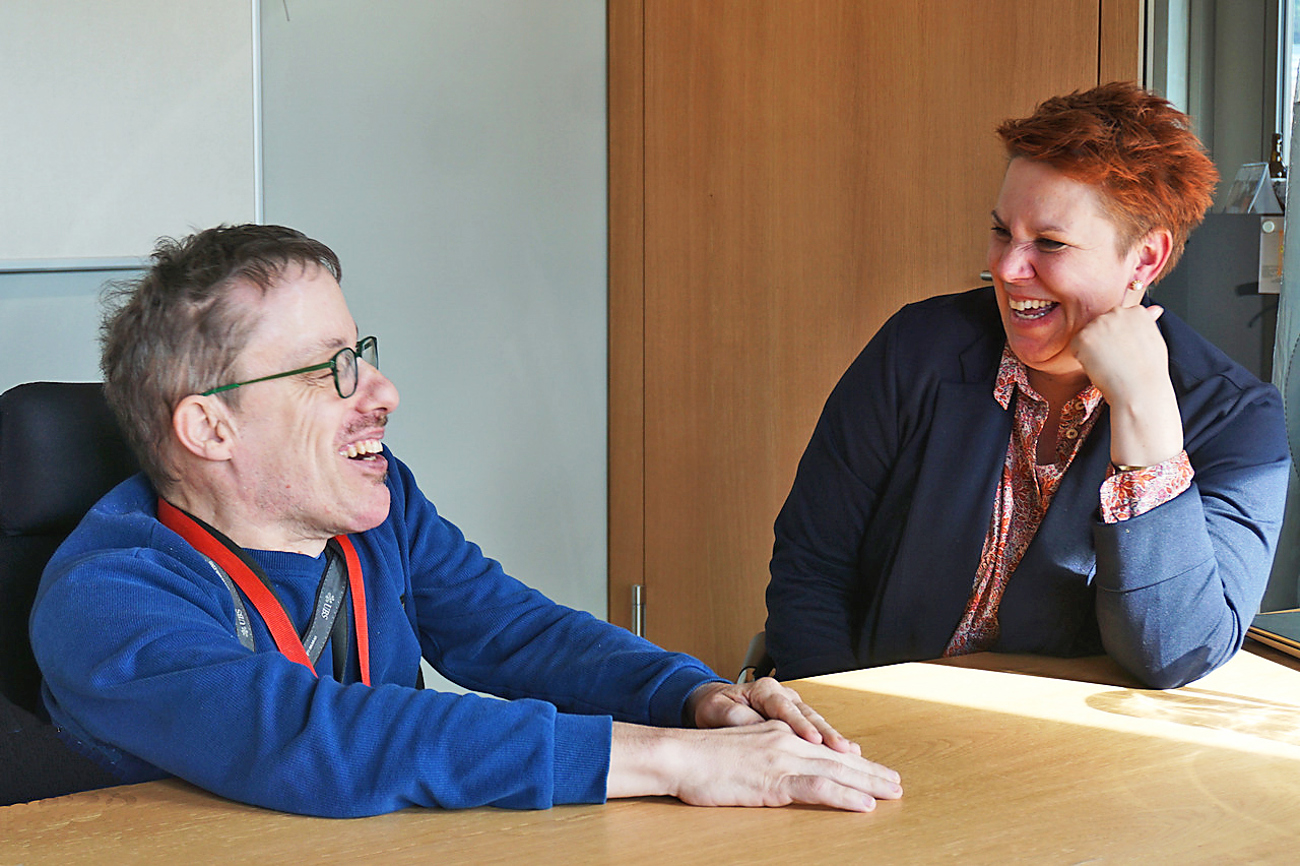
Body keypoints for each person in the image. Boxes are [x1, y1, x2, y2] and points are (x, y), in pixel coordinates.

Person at [30, 224, 902, 817]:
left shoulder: (379, 509)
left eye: (361, 354)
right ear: (210, 428)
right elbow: (317, 741)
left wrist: (697, 699)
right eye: (328, 370)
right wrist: (669, 761)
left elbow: (519, 635)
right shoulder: (106, 599)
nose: (383, 391)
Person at [765, 82, 1290, 690]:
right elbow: (812, 567)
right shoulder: (917, 349)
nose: (1007, 268)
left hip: (1061, 743)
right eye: (1002, 233)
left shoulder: (1233, 417)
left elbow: (1176, 652)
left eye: (1049, 243)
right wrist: (835, 719)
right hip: (869, 723)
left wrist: (1145, 418)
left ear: (1145, 259)